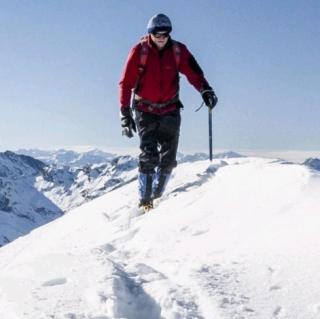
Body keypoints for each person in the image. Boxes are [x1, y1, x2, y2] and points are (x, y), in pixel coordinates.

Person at [119, 13, 218, 211]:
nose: (162, 37)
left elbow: (193, 73)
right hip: (144, 109)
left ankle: (158, 194)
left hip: (170, 109)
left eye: (165, 34)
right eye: (158, 34)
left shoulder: (178, 51)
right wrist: (125, 112)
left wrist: (205, 89)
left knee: (169, 157)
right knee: (149, 155)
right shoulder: (139, 51)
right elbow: (126, 83)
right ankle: (145, 200)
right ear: (150, 33)